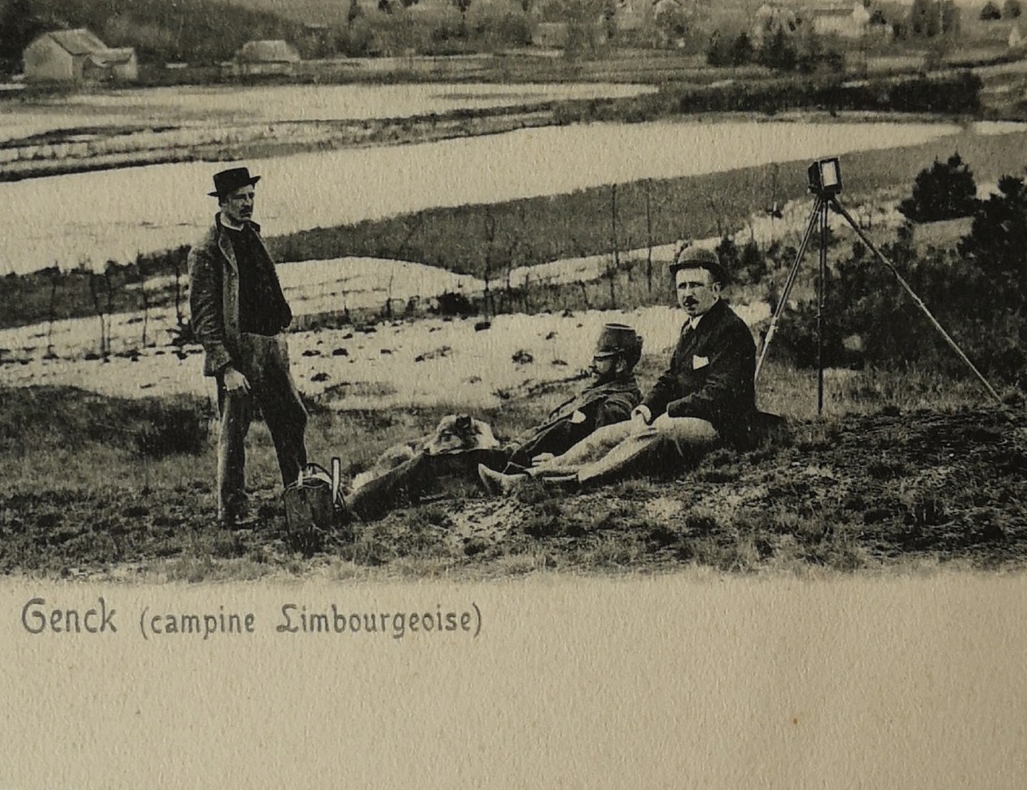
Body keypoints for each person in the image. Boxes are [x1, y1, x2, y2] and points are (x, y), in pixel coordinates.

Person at [479, 248, 756, 494]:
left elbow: (720, 396)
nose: (687, 294)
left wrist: (667, 412)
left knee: (653, 435)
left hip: (722, 429)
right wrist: (645, 410)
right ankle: (526, 478)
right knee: (606, 436)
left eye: (695, 286)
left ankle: (573, 481)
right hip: (684, 419)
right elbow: (670, 377)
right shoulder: (691, 326)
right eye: (681, 287)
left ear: (716, 290)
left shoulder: (730, 330)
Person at [344, 324, 643, 519]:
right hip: (513, 450)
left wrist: (559, 461)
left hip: (516, 463)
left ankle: (352, 507)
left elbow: (602, 454)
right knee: (430, 458)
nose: (593, 364)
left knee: (429, 464)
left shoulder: (616, 404)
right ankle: (360, 496)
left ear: (620, 363)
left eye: (601, 358)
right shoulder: (600, 388)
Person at [188, 166, 307, 527]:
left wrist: (282, 323)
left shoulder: (252, 235)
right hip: (239, 356)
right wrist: (226, 367)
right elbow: (204, 317)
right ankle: (233, 511)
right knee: (234, 435)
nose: (248, 203)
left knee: (291, 420)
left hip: (271, 347)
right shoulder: (207, 249)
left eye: (251, 196)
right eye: (240, 197)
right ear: (222, 202)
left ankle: (300, 496)